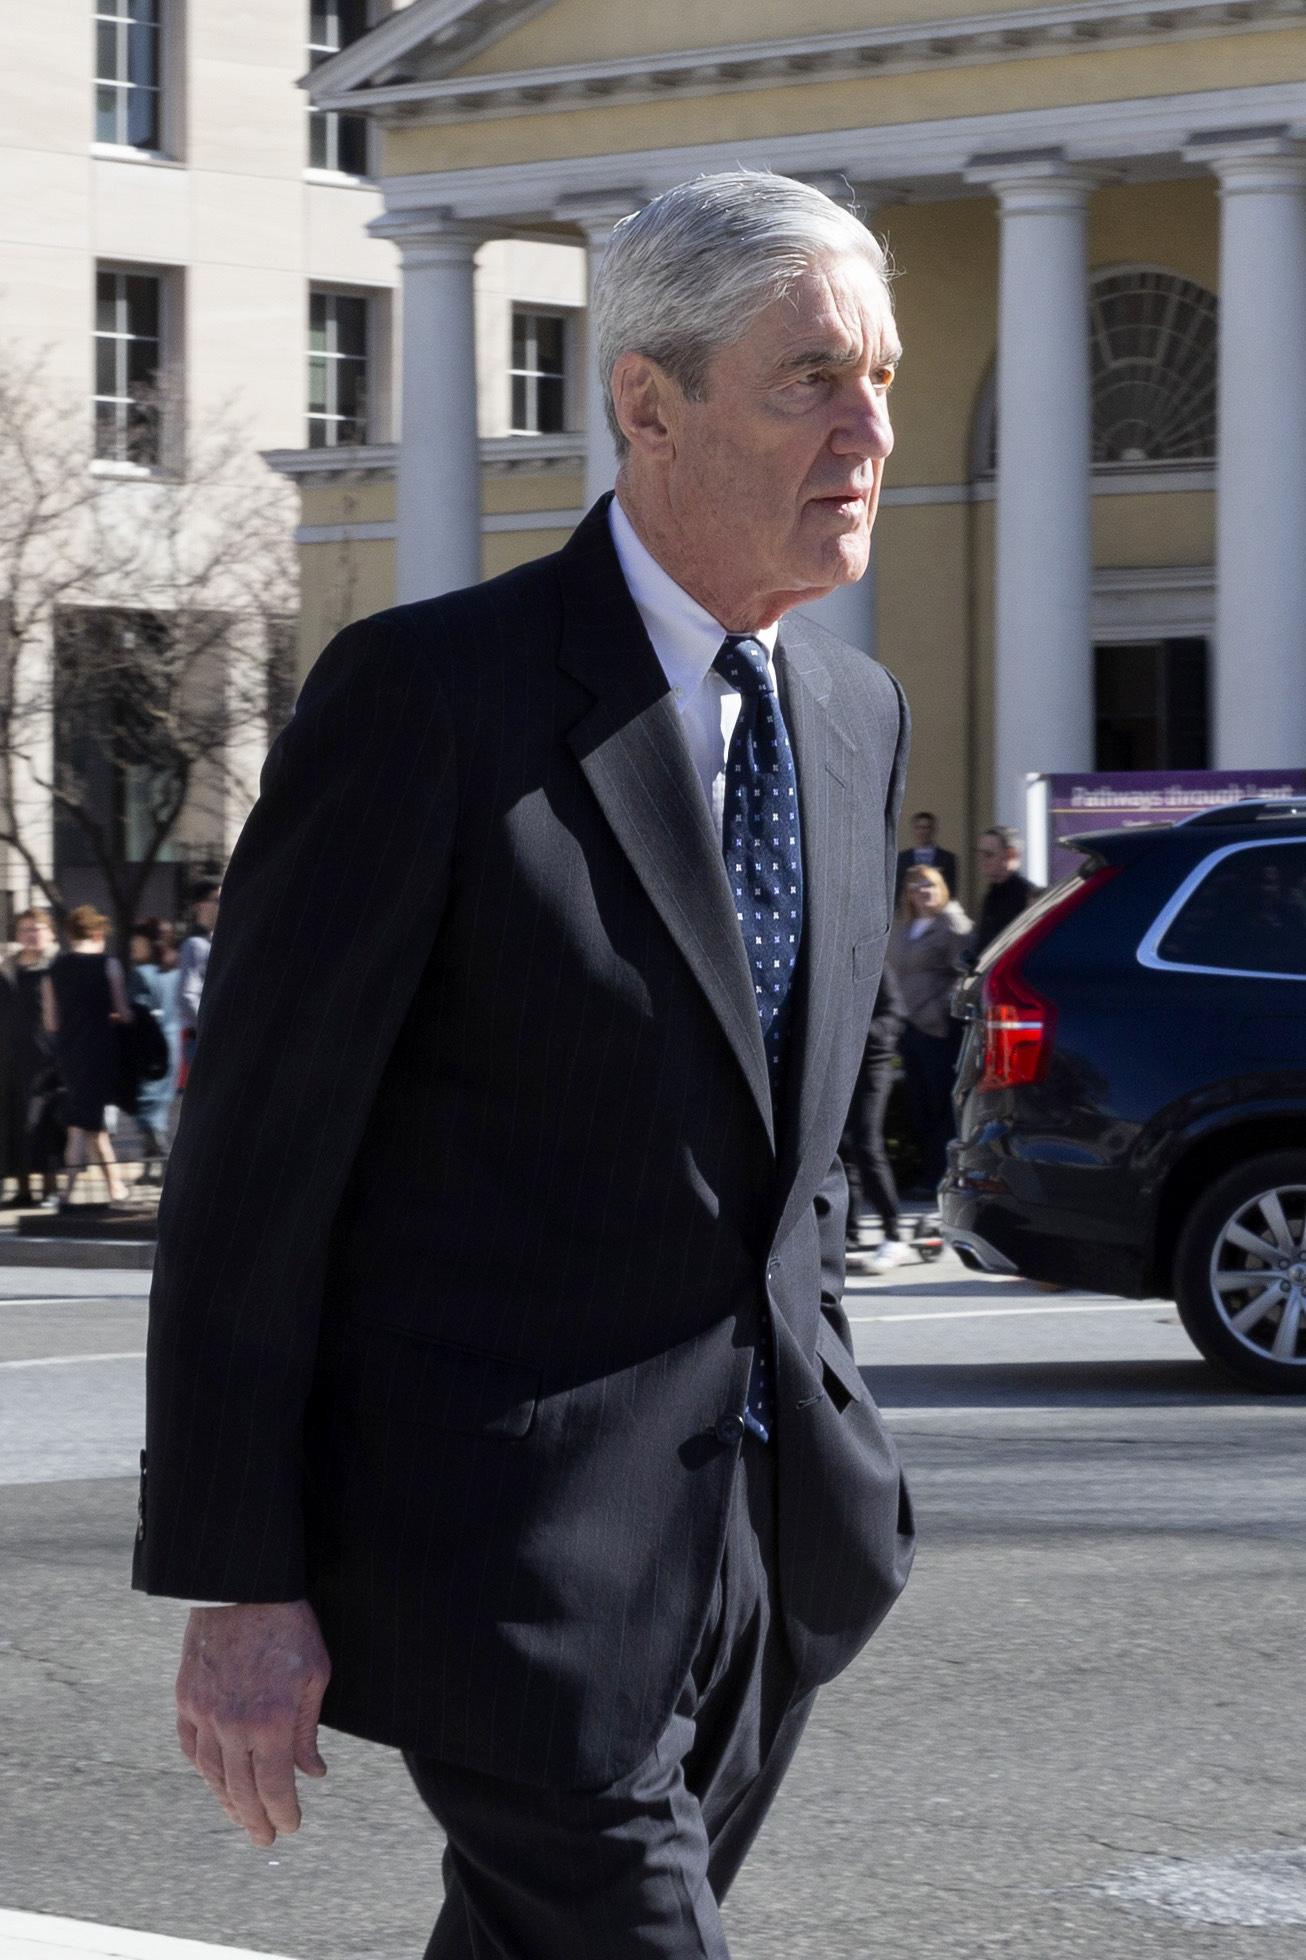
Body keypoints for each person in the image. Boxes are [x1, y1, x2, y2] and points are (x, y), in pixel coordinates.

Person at [136, 170, 915, 1959]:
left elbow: (789, 1160)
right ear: (648, 404)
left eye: (880, 375)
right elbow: (255, 1167)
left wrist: (838, 1472)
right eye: (810, 378)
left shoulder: (852, 719)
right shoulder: (429, 701)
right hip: (504, 1569)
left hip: (774, 1556)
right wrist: (238, 1580)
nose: (867, 428)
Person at [886, 865, 972, 1197]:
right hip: (910, 1030)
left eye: (930, 884)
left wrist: (941, 1008)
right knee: (920, 1110)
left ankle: (942, 1177)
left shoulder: (951, 922)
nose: (923, 890)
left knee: (941, 1109)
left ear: (941, 888)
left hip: (938, 1031)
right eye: (916, 885)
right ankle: (930, 1173)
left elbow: (969, 972)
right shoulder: (907, 926)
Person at [42, 905, 132, 1207]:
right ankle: (74, 1192)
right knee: (85, 1124)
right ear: (97, 933)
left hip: (69, 1052)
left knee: (88, 1125)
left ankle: (109, 1189)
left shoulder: (54, 969)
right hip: (99, 1050)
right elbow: (124, 1012)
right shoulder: (109, 965)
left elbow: (51, 1022)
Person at [841, 965, 910, 1273]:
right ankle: (846, 1238)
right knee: (841, 1152)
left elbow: (894, 1015)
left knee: (867, 1146)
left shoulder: (876, 967)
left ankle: (894, 1234)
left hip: (872, 1065)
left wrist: (856, 1032)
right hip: (841, 1066)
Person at [1, 908, 64, 1206]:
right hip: (9, 1061)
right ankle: (22, 1189)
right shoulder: (7, 970)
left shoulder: (56, 969)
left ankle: (50, 1189)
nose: (31, 934)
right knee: (12, 1123)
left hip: (44, 1061)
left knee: (41, 1124)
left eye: (37, 928)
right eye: (25, 929)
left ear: (50, 933)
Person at [127, 923, 176, 1180]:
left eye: (137, 940)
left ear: (149, 943)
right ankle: (150, 1168)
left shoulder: (141, 975)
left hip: (149, 1049)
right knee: (157, 1110)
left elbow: (135, 1013)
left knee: (148, 1111)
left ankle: (168, 1167)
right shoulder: (172, 972)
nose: (133, 945)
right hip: (170, 1046)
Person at [969, 824, 1041, 964]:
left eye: (988, 854)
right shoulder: (990, 896)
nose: (982, 860)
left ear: (1011, 854)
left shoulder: (1028, 897)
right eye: (979, 853)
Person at [175, 883, 220, 1083]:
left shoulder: (212, 941)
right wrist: (209, 1028)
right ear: (199, 906)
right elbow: (187, 995)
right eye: (217, 900)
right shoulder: (194, 945)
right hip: (205, 1040)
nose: (222, 905)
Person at [894, 810, 958, 902]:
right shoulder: (902, 858)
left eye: (927, 827)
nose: (923, 831)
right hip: (910, 911)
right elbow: (898, 889)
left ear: (934, 830)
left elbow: (951, 890)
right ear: (913, 830)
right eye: (920, 827)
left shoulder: (947, 858)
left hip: (938, 911)